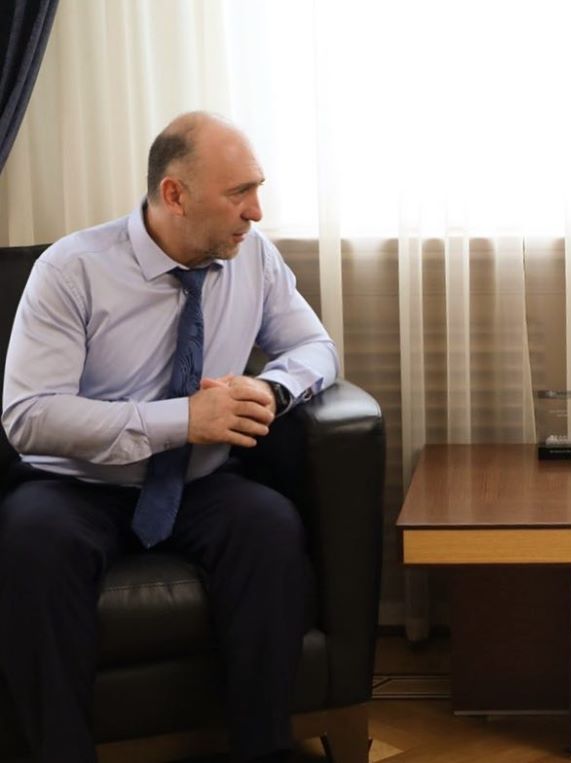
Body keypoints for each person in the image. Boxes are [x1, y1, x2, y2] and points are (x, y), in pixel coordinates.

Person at [0, 112, 339, 763]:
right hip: (75, 483)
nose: (256, 211)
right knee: (31, 545)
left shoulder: (253, 256)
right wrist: (183, 419)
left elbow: (314, 347)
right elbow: (29, 416)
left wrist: (273, 390)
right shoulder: (71, 270)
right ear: (175, 195)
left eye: (257, 189)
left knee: (270, 528)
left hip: (199, 478)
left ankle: (264, 749)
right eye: (238, 193)